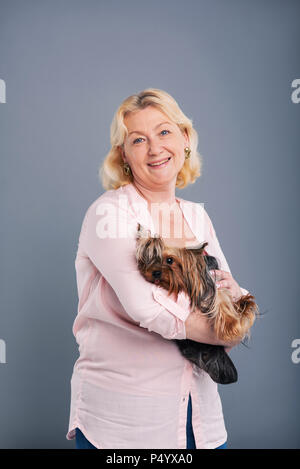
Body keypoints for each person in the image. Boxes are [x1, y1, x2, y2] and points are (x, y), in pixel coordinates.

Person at [66, 88, 250, 449]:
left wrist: (234, 308)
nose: (154, 149)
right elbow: (148, 308)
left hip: (199, 419)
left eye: (164, 132)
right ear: (124, 155)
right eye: (138, 140)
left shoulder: (197, 216)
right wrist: (227, 329)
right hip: (125, 426)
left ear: (184, 138)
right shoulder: (110, 214)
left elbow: (233, 293)